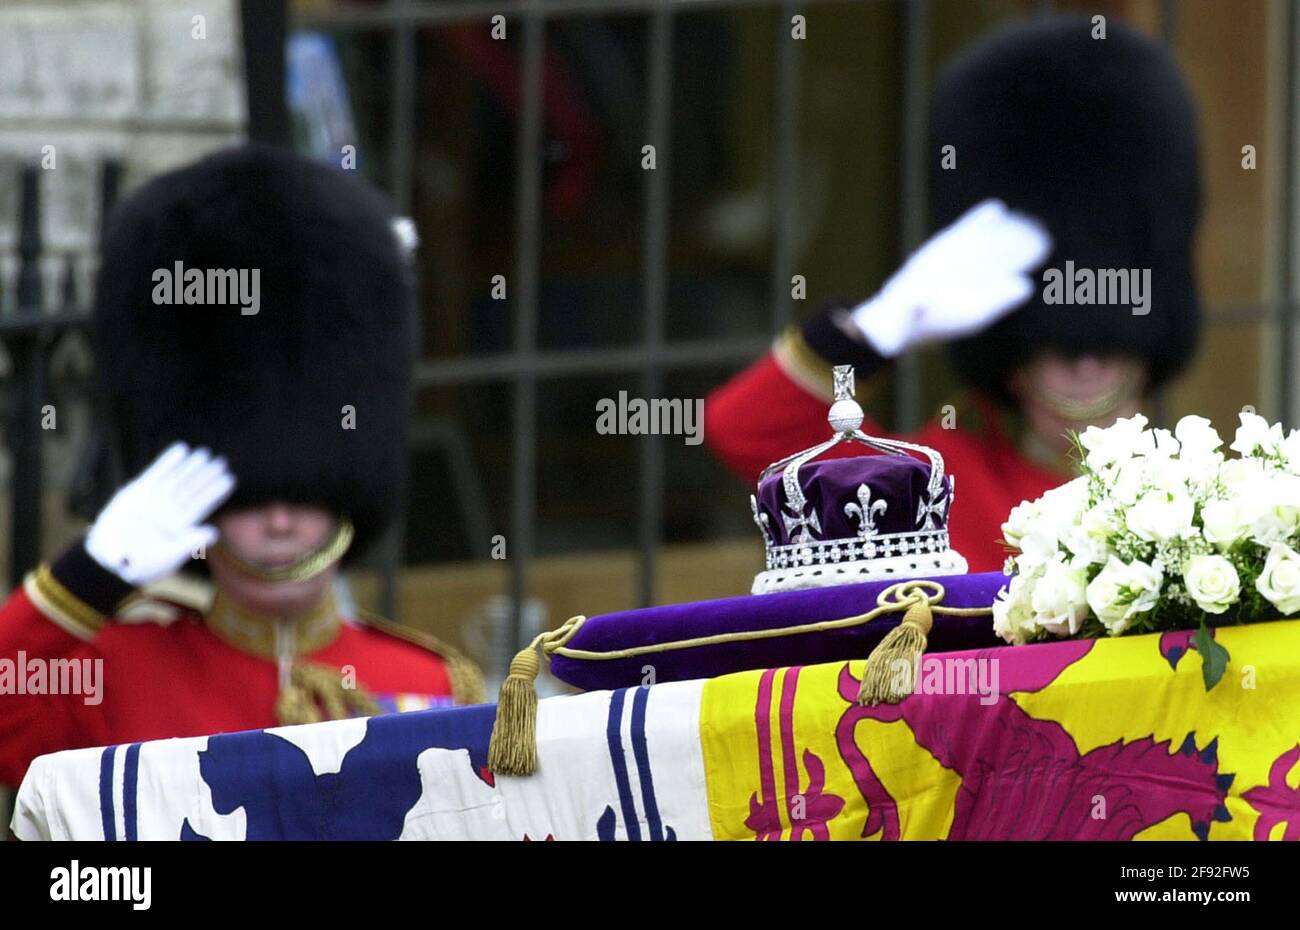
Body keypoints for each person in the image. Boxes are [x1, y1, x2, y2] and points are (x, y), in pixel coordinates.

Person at [0, 144, 481, 790]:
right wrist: (88, 576)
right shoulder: (115, 674)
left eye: (308, 495)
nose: (279, 520)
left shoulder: (432, 687)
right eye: (248, 498)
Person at [705, 14, 1202, 572]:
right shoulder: (935, 491)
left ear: (1148, 352)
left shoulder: (1210, 501)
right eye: (1060, 351)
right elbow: (743, 430)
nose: (1085, 366)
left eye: (1108, 348)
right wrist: (876, 328)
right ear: (1014, 367)